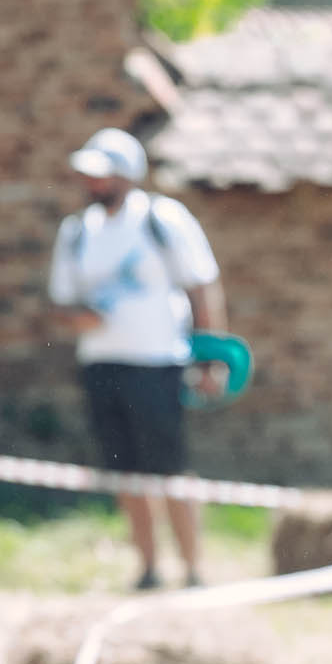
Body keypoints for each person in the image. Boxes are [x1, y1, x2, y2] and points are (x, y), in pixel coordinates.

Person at [50, 126, 224, 591]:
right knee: (125, 472)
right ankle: (148, 568)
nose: (94, 184)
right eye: (89, 175)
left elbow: (201, 286)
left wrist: (210, 357)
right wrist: (79, 319)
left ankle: (193, 568)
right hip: (101, 364)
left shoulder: (162, 219)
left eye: (103, 175)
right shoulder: (76, 233)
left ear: (127, 175)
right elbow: (61, 304)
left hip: (158, 362)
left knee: (169, 468)